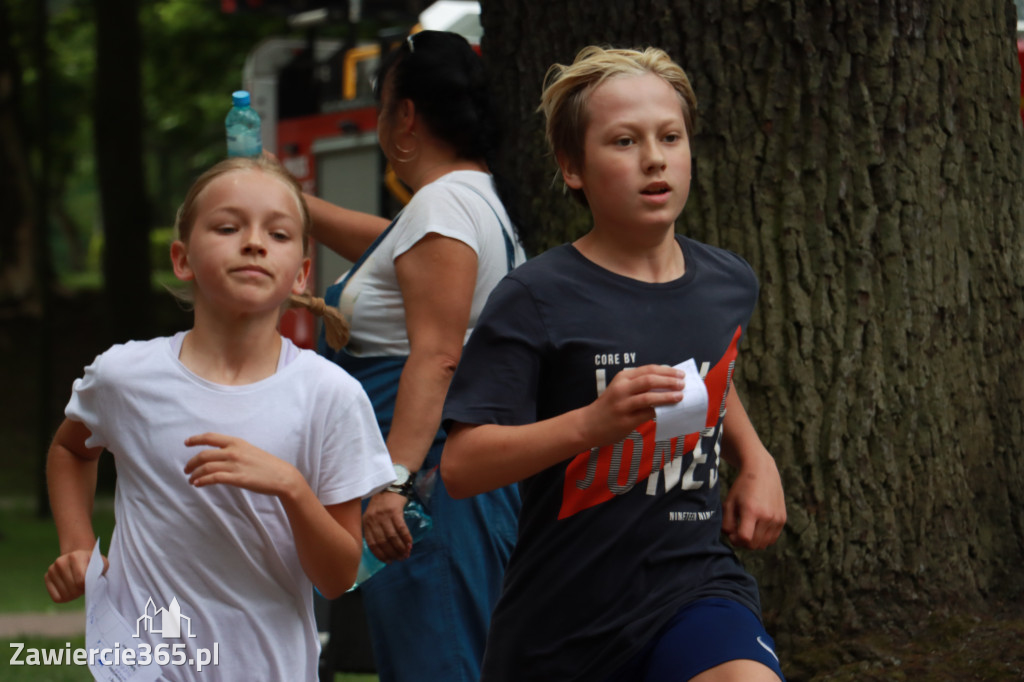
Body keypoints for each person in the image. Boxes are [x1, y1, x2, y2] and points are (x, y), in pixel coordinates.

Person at [441, 46, 788, 682]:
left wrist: (757, 461)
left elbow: (717, 374)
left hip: (696, 589)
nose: (654, 158)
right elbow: (462, 467)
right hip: (563, 623)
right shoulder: (534, 298)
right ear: (572, 167)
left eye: (670, 136)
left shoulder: (728, 281)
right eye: (624, 141)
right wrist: (590, 425)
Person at [43, 156, 395, 681]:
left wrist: (292, 488)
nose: (253, 242)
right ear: (182, 259)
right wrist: (76, 545)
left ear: (300, 273)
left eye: (277, 233)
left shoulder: (331, 395)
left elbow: (337, 578)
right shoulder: (124, 376)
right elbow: (71, 450)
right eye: (228, 227)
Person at [310, 30, 526, 682]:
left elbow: (435, 357)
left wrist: (394, 484)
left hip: (424, 492)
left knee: (437, 662)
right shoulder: (468, 200)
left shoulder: (440, 206)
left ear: (405, 116)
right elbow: (394, 250)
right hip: (449, 485)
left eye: (381, 106)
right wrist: (290, 202)